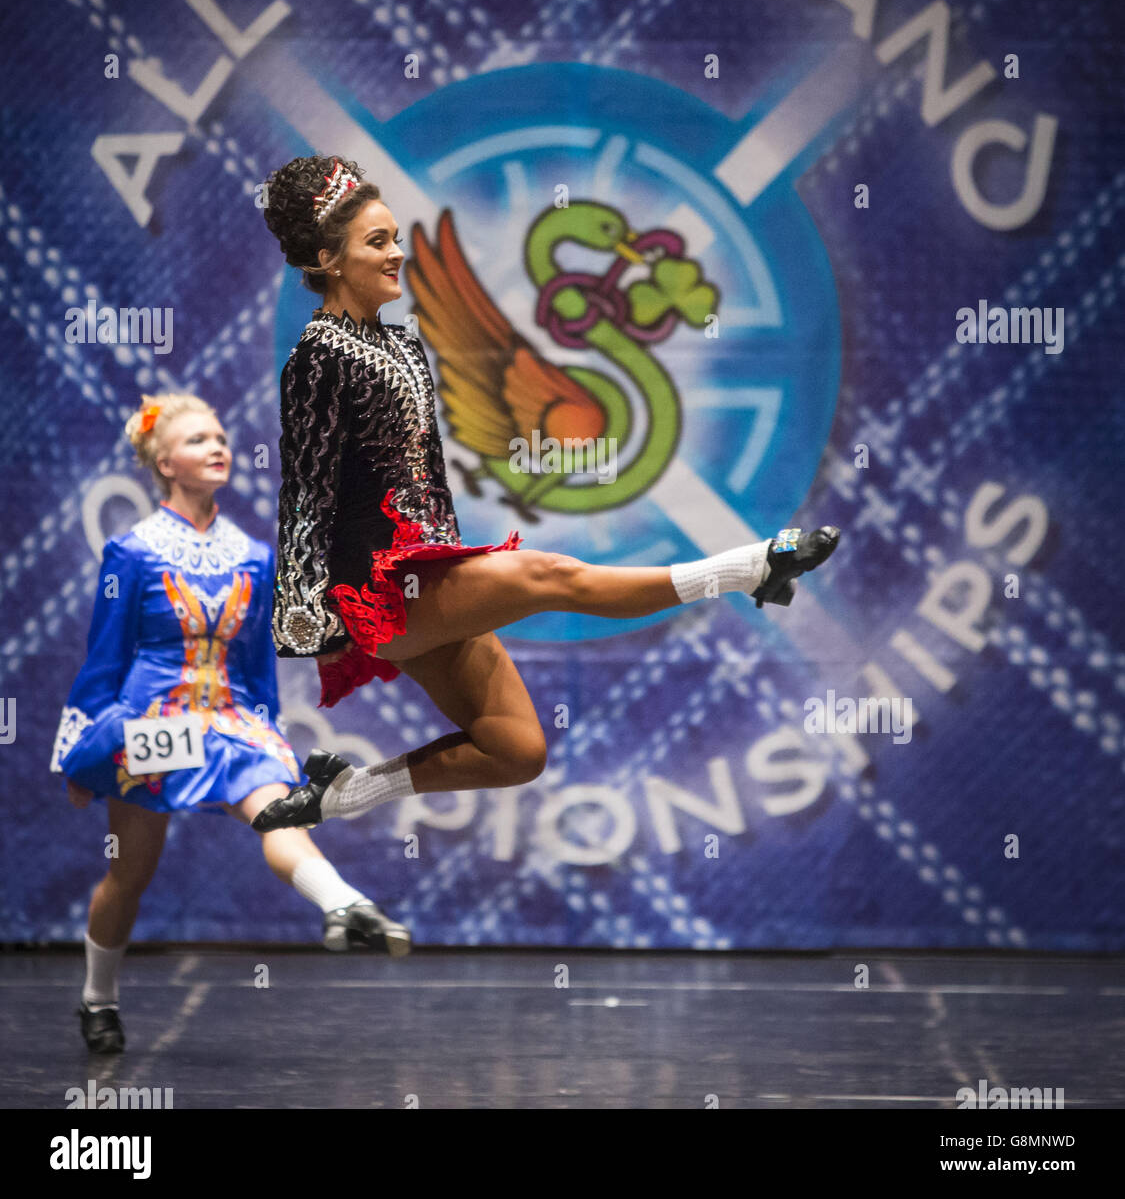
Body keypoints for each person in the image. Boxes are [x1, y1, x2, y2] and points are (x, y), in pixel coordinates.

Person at [254, 154, 840, 833]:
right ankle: (750, 568)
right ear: (327, 259)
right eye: (377, 243)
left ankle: (345, 793)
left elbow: (426, 474)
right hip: (376, 589)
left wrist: (448, 557)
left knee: (515, 749)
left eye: (395, 238)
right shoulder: (318, 355)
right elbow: (305, 492)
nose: (398, 254)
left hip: (428, 568)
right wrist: (311, 622)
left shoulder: (403, 343)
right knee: (550, 573)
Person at [52, 391, 411, 1055]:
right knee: (130, 873)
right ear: (164, 463)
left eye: (220, 437)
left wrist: (266, 732)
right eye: (197, 441)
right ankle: (98, 998)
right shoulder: (130, 552)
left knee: (281, 812)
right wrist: (80, 754)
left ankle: (341, 903)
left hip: (232, 721)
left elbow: (256, 663)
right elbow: (104, 659)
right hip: (152, 724)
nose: (217, 447)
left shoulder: (252, 553)